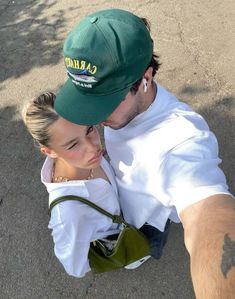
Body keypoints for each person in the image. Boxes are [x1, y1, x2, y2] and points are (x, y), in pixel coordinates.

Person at [54, 9, 235, 298]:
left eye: (107, 101)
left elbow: (207, 215)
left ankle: (139, 253)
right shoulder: (121, 109)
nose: (96, 119)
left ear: (145, 77)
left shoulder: (181, 140)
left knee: (145, 243)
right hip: (122, 199)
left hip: (149, 220)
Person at [22, 92, 151, 278]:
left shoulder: (87, 159)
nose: (93, 147)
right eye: (73, 145)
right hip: (120, 241)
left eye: (89, 129)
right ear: (49, 151)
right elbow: (75, 266)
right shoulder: (67, 213)